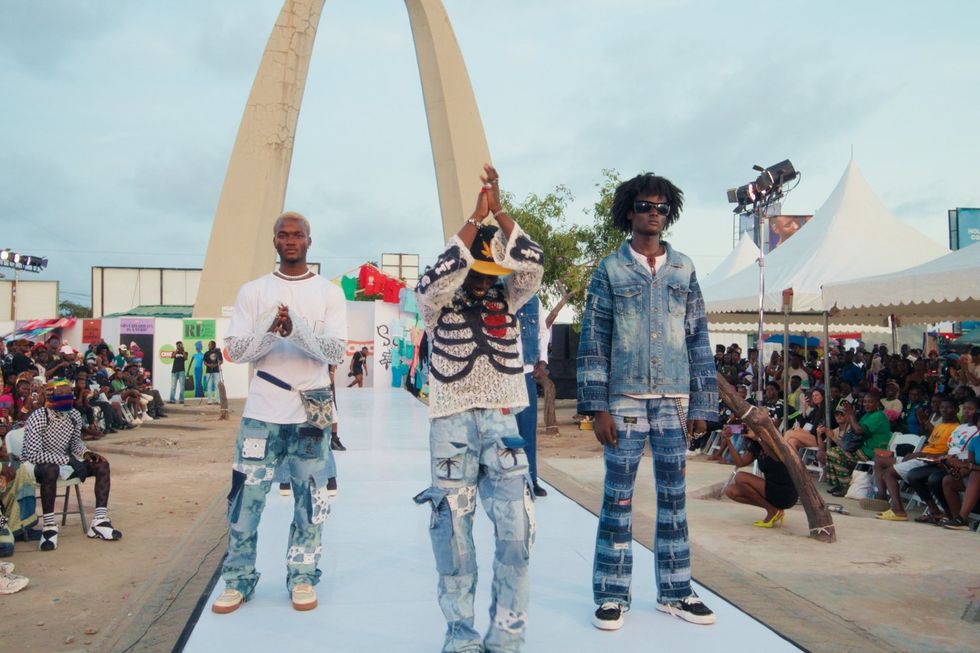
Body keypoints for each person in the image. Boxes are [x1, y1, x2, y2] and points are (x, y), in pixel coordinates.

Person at [578, 172, 718, 630]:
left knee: (674, 499)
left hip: (675, 400)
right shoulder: (610, 269)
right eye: (643, 205)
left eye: (659, 207)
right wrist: (596, 407)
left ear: (668, 212)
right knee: (617, 498)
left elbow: (698, 338)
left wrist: (702, 406)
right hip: (625, 401)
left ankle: (676, 591)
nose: (652, 213)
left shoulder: (684, 269)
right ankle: (612, 593)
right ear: (628, 211)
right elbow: (594, 339)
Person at [413, 164, 543, 652]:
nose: (484, 281)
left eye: (491, 271)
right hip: (450, 420)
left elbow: (533, 263)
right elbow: (431, 281)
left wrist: (501, 213)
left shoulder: (510, 298)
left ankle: (507, 634)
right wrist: (473, 219)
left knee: (517, 529)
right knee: (453, 531)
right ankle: (460, 636)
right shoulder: (436, 306)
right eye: (477, 270)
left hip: (504, 420)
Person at [211, 210, 347, 615]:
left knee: (311, 499)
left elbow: (336, 352)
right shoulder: (253, 291)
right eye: (283, 235)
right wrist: (272, 329)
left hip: (312, 409)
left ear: (309, 241)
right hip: (263, 409)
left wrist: (297, 332)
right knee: (245, 499)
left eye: (298, 235)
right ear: (274, 242)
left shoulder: (328, 292)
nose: (290, 241)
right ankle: (237, 580)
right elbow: (234, 351)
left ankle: (303, 576)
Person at [21, 379, 122, 551]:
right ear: (50, 395)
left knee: (102, 465)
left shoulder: (73, 415)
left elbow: (75, 443)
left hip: (64, 461)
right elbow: (33, 454)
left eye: (69, 392)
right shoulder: (39, 416)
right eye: (62, 393)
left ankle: (99, 521)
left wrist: (86, 453)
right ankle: (49, 527)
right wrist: (68, 461)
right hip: (35, 465)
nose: (67, 396)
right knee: (50, 470)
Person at [722, 428, 798, 527]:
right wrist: (728, 440)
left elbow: (773, 455)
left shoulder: (776, 444)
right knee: (730, 491)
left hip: (786, 492)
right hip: (771, 489)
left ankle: (772, 511)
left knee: (740, 477)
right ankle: (772, 509)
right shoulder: (756, 447)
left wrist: (758, 437)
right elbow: (739, 463)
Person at [515, 294, 551, 498]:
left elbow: (542, 332)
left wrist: (542, 362)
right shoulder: (495, 292)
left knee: (527, 430)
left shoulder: (533, 301)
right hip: (499, 374)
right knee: (499, 430)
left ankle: (531, 480)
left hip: (526, 371)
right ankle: (499, 480)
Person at [825, 390, 891, 497]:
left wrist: (851, 415)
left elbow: (859, 430)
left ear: (877, 403)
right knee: (830, 452)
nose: (866, 404)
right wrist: (851, 416)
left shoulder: (879, 416)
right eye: (865, 402)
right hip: (861, 448)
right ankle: (839, 484)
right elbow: (855, 430)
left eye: (870, 402)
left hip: (871, 451)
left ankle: (845, 487)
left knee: (834, 454)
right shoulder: (868, 414)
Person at [203, 341, 223, 405]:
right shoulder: (206, 353)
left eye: (210, 344)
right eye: (208, 345)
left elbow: (221, 361)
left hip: (216, 371)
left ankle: (218, 400)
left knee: (217, 386)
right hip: (209, 372)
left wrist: (216, 365)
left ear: (213, 345)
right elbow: (205, 362)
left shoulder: (218, 352)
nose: (208, 346)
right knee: (209, 386)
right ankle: (209, 401)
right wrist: (209, 365)